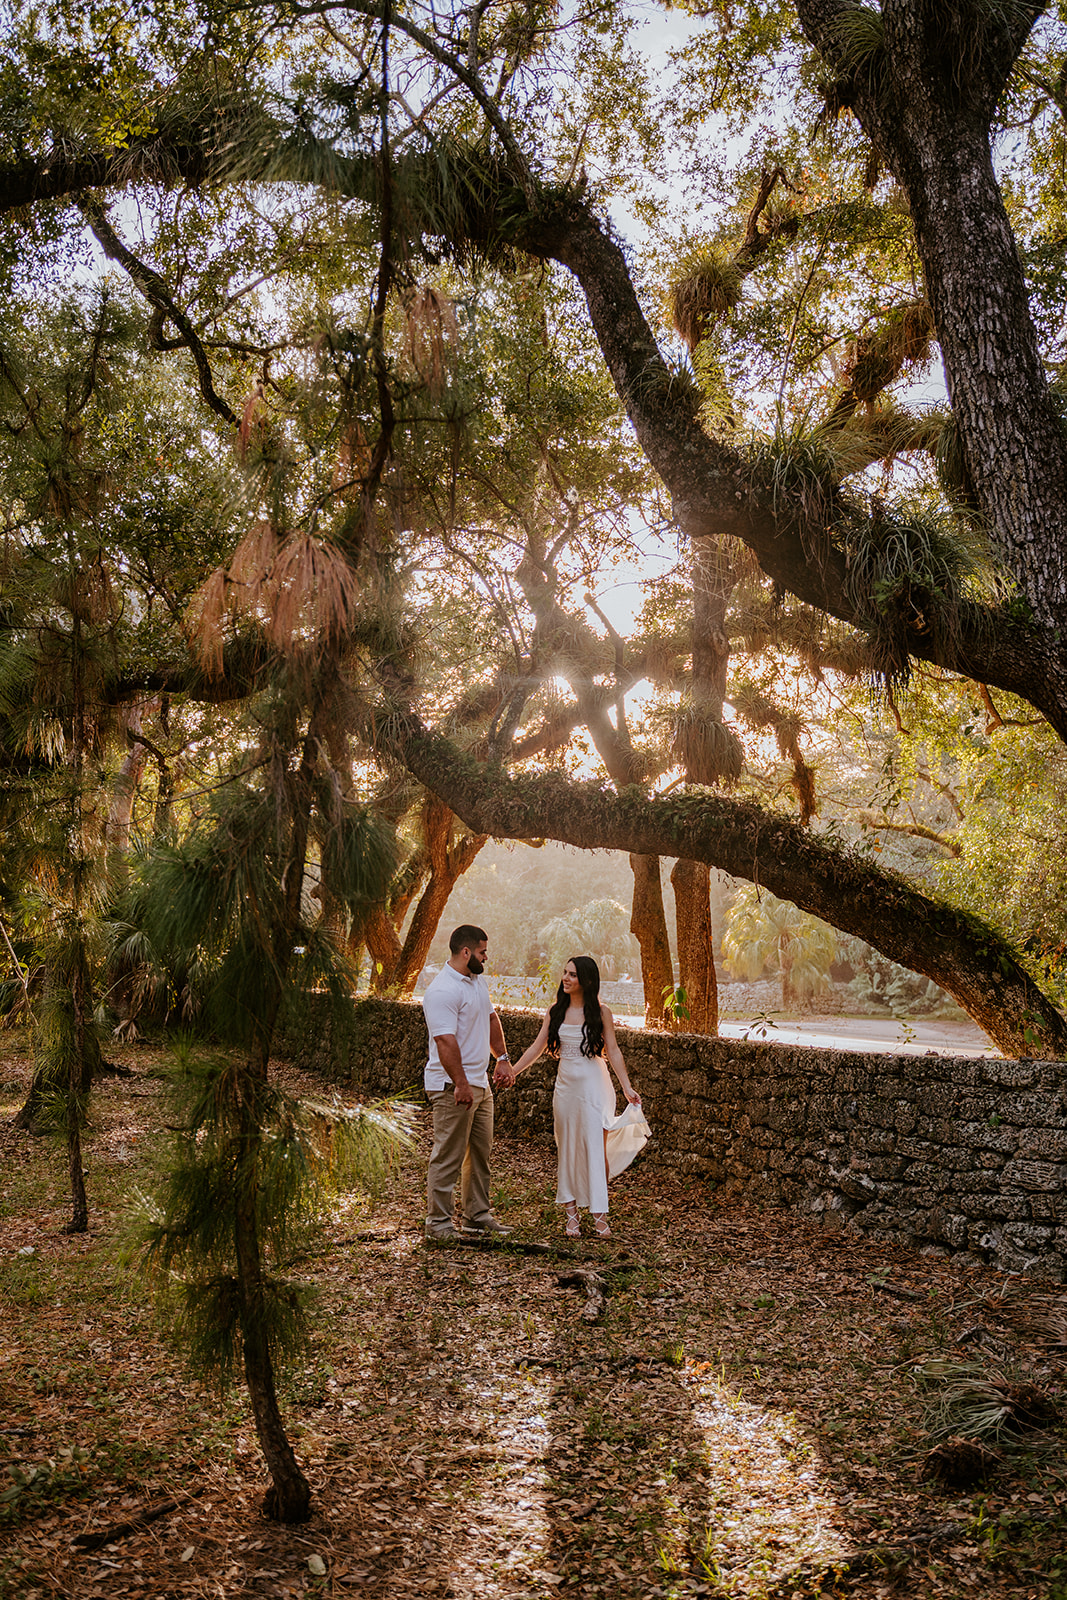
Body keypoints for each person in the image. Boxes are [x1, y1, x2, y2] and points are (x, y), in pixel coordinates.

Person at [495, 955, 649, 1238]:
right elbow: (537, 1047)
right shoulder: (555, 1011)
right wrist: (512, 1072)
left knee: (596, 1147)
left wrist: (627, 1087)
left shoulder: (602, 1012)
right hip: (566, 1088)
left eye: (573, 975)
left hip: (596, 1086)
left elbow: (613, 1050)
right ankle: (571, 1216)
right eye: (565, 973)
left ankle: (600, 1214)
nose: (565, 978)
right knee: (567, 1148)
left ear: (587, 981)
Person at [422, 924, 514, 1243]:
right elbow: (445, 1041)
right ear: (466, 952)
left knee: (479, 1154)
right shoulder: (442, 990)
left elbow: (490, 1018)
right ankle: (438, 1224)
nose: (486, 957)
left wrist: (502, 1058)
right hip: (453, 1086)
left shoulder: (477, 981)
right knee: (448, 1154)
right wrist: (460, 1083)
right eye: (482, 952)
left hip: (480, 1083)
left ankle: (476, 1216)